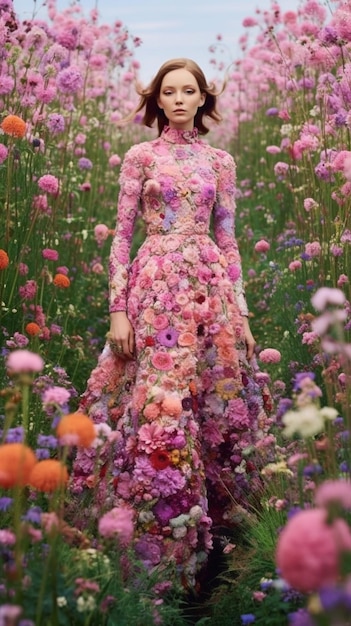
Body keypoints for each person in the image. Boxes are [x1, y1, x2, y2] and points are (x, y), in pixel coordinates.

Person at [71, 58, 272, 588]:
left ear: (202, 99)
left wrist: (243, 313)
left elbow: (228, 239)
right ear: (156, 100)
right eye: (169, 91)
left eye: (189, 91)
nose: (179, 99)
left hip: (212, 290)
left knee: (218, 400)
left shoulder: (220, 161)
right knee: (161, 403)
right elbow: (120, 236)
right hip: (155, 287)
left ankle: (225, 550)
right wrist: (117, 307)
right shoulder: (140, 157)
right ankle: (158, 550)